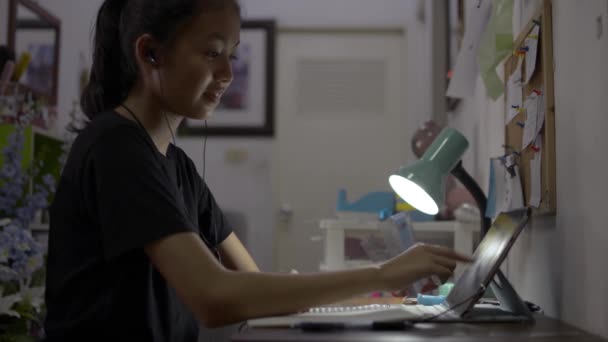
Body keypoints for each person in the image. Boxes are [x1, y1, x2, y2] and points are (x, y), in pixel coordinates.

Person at [43, 0, 472, 341]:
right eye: (212, 53)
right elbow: (215, 297)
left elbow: (254, 283)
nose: (228, 73)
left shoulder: (177, 167)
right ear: (150, 52)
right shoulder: (114, 146)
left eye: (232, 55)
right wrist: (383, 273)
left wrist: (392, 296)